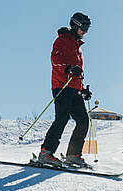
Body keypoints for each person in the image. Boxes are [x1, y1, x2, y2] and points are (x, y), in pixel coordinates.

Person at [37, 12, 94, 169]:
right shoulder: (62, 40)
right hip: (61, 85)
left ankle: (73, 155)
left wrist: (82, 89)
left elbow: (77, 72)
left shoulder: (78, 48)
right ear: (75, 25)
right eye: (83, 28)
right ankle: (46, 153)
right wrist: (69, 68)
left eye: (87, 28)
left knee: (83, 120)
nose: (85, 32)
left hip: (74, 88)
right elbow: (56, 60)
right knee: (62, 118)